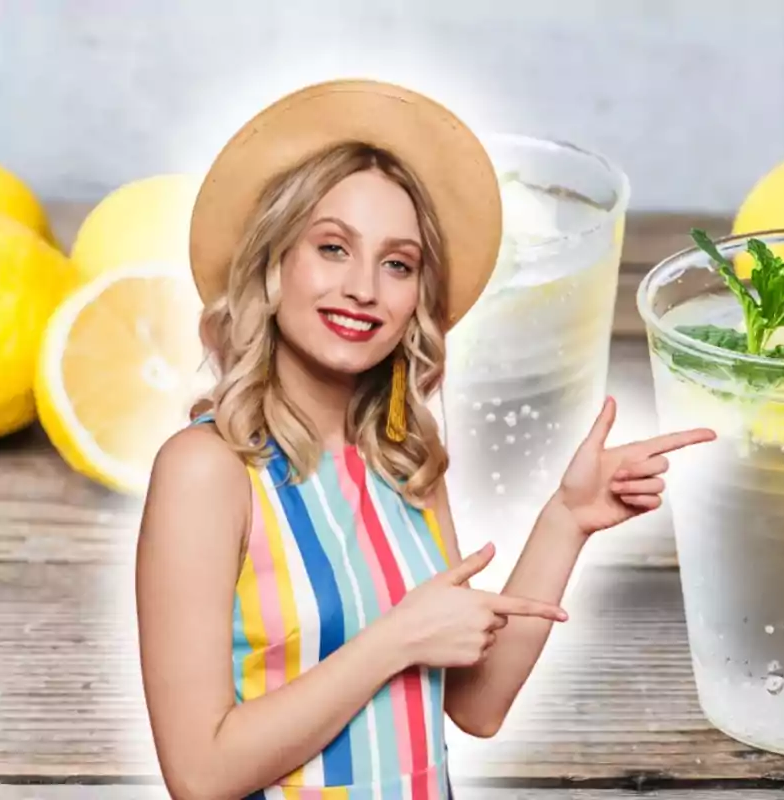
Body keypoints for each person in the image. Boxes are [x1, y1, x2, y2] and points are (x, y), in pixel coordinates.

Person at [134, 79, 715, 800]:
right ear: (274, 263)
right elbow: (200, 773)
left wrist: (567, 519)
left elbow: (475, 705)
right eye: (332, 248)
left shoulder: (403, 460)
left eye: (397, 263)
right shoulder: (207, 471)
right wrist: (395, 640)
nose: (364, 288)